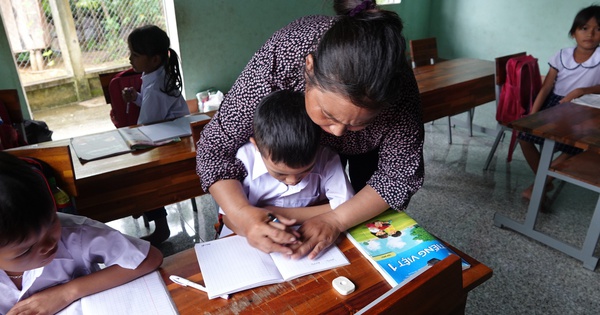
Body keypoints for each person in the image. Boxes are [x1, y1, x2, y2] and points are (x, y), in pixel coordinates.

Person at [197, 0, 424, 259]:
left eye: (358, 123)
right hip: (297, 151)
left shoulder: (398, 91)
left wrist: (336, 220)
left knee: (362, 235)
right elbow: (215, 148)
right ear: (308, 68)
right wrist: (241, 214)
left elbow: (397, 176)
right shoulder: (282, 56)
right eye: (328, 114)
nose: (337, 132)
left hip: (366, 157)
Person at [0, 152, 163, 315]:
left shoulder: (75, 234)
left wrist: (67, 293)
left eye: (51, 222)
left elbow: (149, 258)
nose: (49, 244)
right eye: (25, 250)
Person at [219, 90, 355, 236]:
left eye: (305, 170)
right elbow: (228, 219)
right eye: (280, 173)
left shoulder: (326, 157)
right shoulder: (243, 161)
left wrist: (280, 214)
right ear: (257, 147)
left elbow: (347, 206)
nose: (292, 181)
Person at [518, 5, 600, 202]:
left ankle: (539, 185)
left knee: (575, 147)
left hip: (583, 110)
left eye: (598, 29)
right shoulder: (561, 55)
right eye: (584, 28)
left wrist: (581, 91)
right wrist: (533, 114)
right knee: (524, 137)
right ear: (573, 33)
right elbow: (546, 88)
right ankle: (544, 181)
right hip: (555, 104)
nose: (591, 34)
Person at [122, 25, 190, 245]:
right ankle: (155, 219)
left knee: (143, 175)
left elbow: (147, 122)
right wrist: (137, 98)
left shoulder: (156, 87)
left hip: (175, 142)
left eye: (135, 54)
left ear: (154, 59)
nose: (130, 58)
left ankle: (160, 227)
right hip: (172, 134)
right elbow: (155, 111)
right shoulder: (155, 77)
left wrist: (140, 102)